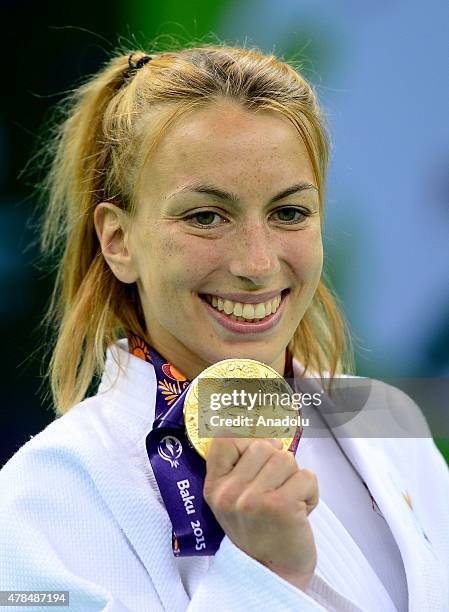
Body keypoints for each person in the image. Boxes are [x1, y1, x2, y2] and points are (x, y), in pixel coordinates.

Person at [0, 43, 448, 612]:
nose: (257, 264)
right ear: (117, 241)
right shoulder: (42, 499)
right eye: (206, 216)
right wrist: (265, 575)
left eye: (289, 212)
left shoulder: (387, 421)